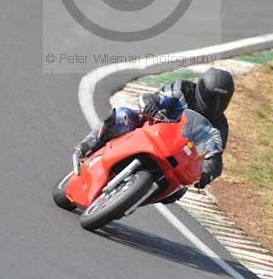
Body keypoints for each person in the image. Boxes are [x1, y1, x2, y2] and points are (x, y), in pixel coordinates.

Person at [75, 67, 234, 202]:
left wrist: (207, 173)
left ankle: (131, 199)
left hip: (177, 159)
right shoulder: (182, 89)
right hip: (152, 129)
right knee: (123, 116)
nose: (215, 104)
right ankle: (88, 145)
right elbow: (151, 98)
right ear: (201, 89)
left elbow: (215, 157)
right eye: (211, 97)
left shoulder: (219, 126)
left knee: (179, 191)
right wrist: (151, 107)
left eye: (222, 100)